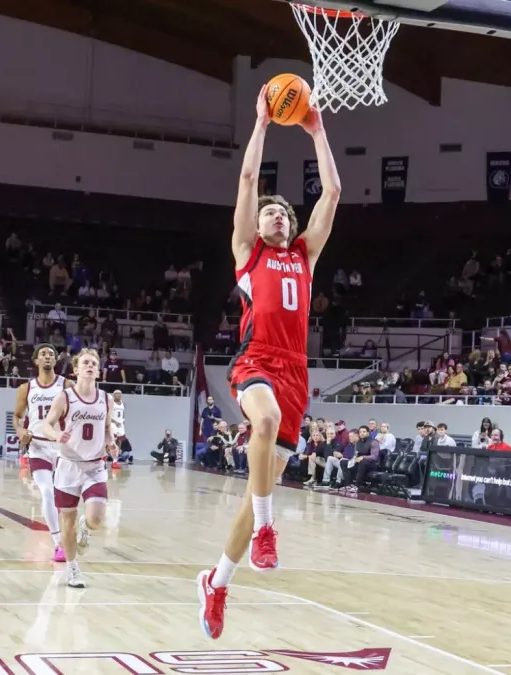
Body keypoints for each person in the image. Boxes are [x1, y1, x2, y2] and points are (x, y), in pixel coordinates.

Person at [199, 86, 341, 641]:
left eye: (283, 211)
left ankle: (218, 582)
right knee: (260, 423)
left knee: (256, 486)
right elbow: (246, 182)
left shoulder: (305, 255)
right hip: (256, 360)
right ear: (257, 227)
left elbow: (333, 189)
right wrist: (260, 123)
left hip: (296, 372)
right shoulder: (248, 252)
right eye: (269, 213)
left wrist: (316, 131)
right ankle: (266, 531)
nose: (276, 216)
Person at [40, 348, 117, 589]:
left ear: (98, 370)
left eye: (94, 363)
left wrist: (111, 442)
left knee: (95, 519)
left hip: (95, 466)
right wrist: (56, 434)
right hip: (68, 466)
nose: (91, 365)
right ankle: (73, 569)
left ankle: (87, 527)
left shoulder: (107, 399)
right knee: (67, 521)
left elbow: (106, 428)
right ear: (76, 369)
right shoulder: (65, 397)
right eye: (86, 362)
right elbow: (47, 424)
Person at [13, 345, 71, 563]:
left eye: (51, 354)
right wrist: (19, 431)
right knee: (47, 492)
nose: (48, 356)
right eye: (43, 354)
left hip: (62, 448)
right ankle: (58, 544)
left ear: (55, 360)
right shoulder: (26, 389)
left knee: (66, 500)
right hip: (38, 446)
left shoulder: (66, 385)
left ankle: (76, 531)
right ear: (36, 360)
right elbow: (17, 417)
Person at [109, 389, 127, 465]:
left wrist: (122, 420)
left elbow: (123, 413)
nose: (118, 395)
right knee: (111, 441)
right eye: (116, 394)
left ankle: (116, 458)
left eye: (119, 394)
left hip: (120, 424)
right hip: (113, 424)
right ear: (114, 395)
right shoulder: (112, 403)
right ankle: (106, 455)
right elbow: (108, 415)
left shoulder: (122, 403)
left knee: (119, 441)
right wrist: (115, 422)